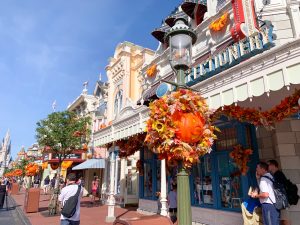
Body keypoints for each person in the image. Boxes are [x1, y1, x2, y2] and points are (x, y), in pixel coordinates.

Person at [268, 160, 290, 225]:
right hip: (280, 202)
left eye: (268, 165)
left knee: (284, 220)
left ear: (273, 165)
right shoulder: (276, 175)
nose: (267, 167)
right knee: (283, 220)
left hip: (282, 201)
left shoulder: (278, 174)